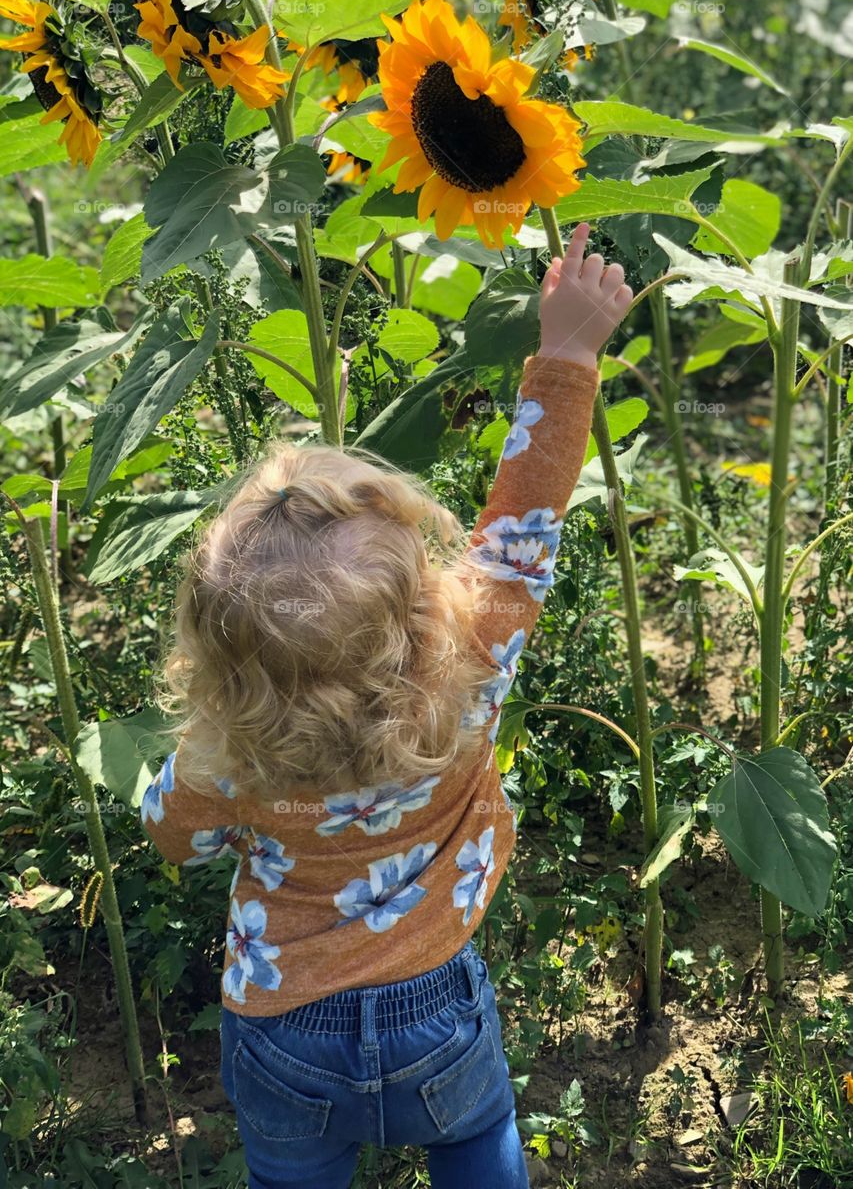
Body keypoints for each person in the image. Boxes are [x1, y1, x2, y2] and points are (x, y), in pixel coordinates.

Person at [140, 222, 633, 1188]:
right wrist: (567, 354)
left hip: (282, 1024)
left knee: (293, 1177)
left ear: (217, 657)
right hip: (435, 1006)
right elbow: (525, 517)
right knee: (474, 1142)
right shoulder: (471, 674)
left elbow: (173, 837)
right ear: (421, 613)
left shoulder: (227, 759)